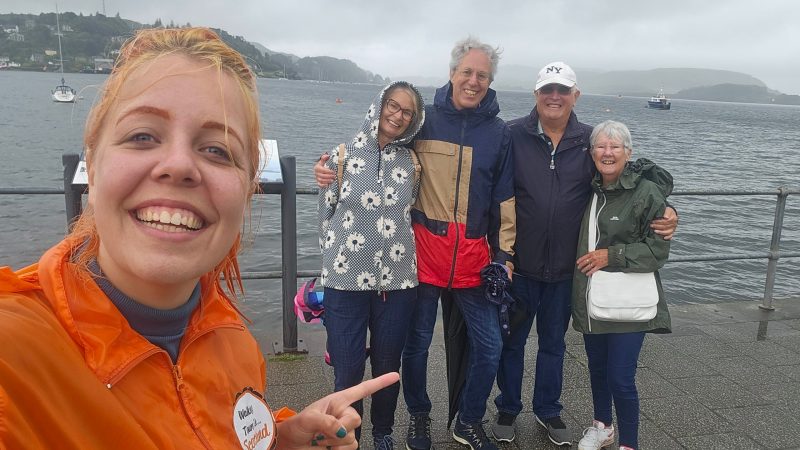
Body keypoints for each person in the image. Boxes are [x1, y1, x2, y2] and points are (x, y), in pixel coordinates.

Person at [0, 27, 399, 450]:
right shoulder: (16, 359)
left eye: (217, 150)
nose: (178, 165)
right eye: (143, 136)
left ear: (246, 191)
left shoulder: (231, 337)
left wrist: (281, 440)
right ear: (92, 168)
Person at [316, 36, 516, 450]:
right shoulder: (415, 128)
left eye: (482, 75)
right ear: (452, 72)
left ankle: (458, 421)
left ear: (490, 81)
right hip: (408, 265)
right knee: (396, 354)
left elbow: (503, 198)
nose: (473, 81)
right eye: (467, 72)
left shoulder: (495, 134)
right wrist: (327, 168)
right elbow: (337, 200)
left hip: (451, 266)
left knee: (486, 345)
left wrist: (505, 255)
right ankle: (403, 421)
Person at [491, 62, 677, 446]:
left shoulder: (589, 140)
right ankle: (508, 408)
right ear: (536, 96)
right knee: (511, 344)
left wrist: (667, 209)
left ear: (575, 95)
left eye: (562, 90)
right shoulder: (511, 134)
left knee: (553, 346)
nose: (554, 97)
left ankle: (548, 410)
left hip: (567, 270)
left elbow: (634, 174)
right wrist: (500, 254)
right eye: (547, 90)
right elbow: (489, 184)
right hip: (519, 266)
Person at [318, 81, 425, 450]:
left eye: (406, 111)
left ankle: (383, 432)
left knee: (386, 369)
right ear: (378, 106)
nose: (397, 115)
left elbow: (409, 211)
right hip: (345, 282)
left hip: (397, 284)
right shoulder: (341, 156)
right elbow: (326, 213)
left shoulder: (412, 163)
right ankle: (349, 438)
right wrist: (335, 263)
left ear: (414, 120)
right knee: (347, 371)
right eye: (392, 106)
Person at [572, 120, 672, 450]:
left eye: (616, 147)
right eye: (601, 146)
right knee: (598, 369)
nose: (608, 152)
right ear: (591, 152)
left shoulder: (646, 192)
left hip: (630, 302)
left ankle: (629, 443)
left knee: (621, 377)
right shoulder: (586, 186)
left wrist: (609, 256)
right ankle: (602, 427)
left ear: (629, 153)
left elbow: (657, 251)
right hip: (591, 296)